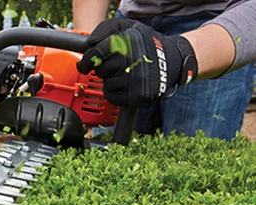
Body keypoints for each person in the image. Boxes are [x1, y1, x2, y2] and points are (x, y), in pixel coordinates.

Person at [73, 0, 256, 141]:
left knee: (191, 170)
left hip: (222, 22)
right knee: (104, 162)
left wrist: (181, 54)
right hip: (128, 20)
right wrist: (87, 45)